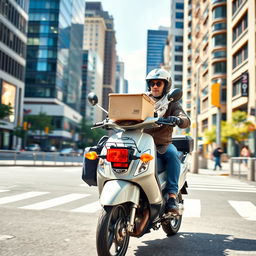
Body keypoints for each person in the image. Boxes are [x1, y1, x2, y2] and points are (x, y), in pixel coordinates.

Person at [144, 68, 191, 214]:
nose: (155, 86)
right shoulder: (143, 100)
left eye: (159, 83)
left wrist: (177, 119)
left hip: (161, 145)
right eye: (152, 83)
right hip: (141, 144)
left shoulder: (171, 103)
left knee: (172, 155)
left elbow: (185, 119)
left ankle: (171, 196)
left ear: (166, 86)